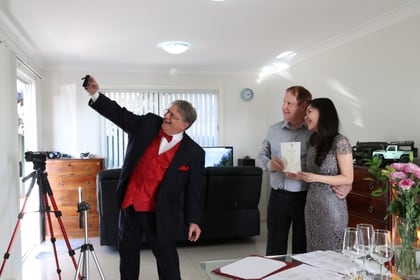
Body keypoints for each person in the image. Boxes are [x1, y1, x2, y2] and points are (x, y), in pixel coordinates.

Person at [84, 76, 205, 280]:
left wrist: (194, 220)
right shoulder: (148, 124)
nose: (166, 116)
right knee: (128, 260)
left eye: (172, 115)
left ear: (184, 124)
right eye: (167, 111)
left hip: (160, 214)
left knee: (168, 263)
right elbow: (119, 115)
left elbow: (194, 189)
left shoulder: (194, 153)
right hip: (129, 206)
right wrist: (95, 94)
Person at [256, 85, 313, 255]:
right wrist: (269, 165)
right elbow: (260, 156)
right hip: (277, 196)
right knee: (274, 247)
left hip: (304, 197)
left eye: (290, 103)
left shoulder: (313, 133)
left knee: (302, 248)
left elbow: (321, 165)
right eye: (284, 102)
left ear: (303, 106)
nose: (283, 107)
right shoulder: (274, 130)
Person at [292, 97, 354, 252]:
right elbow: (311, 172)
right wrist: (297, 174)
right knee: (313, 251)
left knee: (332, 252)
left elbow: (348, 177)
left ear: (323, 114)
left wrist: (315, 178)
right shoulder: (313, 140)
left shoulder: (340, 142)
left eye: (309, 112)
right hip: (312, 206)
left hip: (332, 207)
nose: (306, 117)